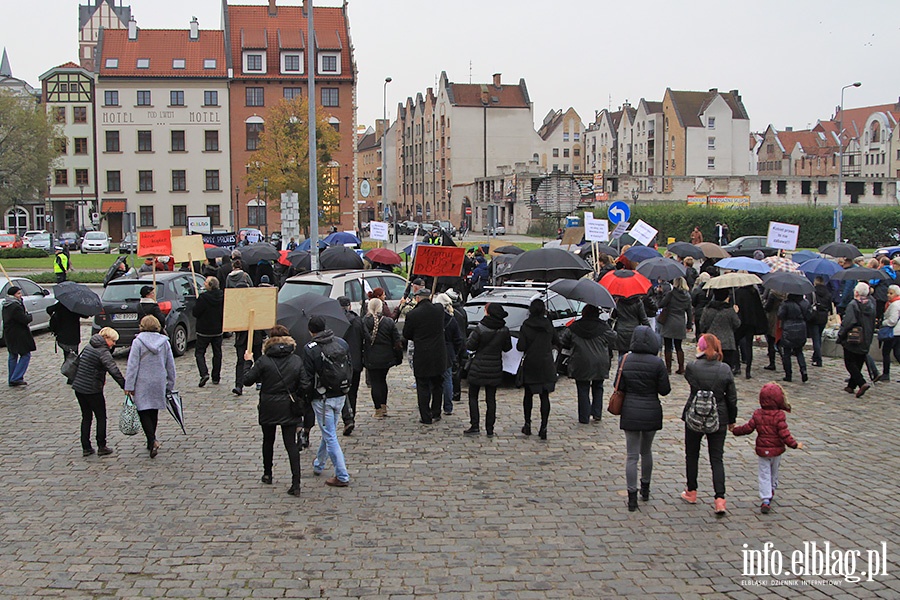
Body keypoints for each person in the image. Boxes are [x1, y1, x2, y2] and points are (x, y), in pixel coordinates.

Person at [242, 324, 304, 496]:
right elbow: (305, 384)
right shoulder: (296, 360)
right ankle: (296, 482)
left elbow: (246, 380)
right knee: (290, 444)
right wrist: (297, 397)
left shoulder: (264, 360)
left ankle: (267, 473)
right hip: (289, 404)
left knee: (268, 440)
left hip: (269, 404)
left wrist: (247, 362)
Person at [680, 334, 737, 516]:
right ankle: (720, 499)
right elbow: (732, 398)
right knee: (716, 458)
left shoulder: (692, 367)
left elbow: (692, 384)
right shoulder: (725, 369)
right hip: (719, 415)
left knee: (692, 454)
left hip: (695, 413)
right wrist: (732, 419)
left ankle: (692, 491)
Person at [616, 326, 671, 511]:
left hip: (630, 410)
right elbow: (665, 390)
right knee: (646, 451)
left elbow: (620, 386)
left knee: (632, 455)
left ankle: (632, 497)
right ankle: (645, 488)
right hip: (651, 410)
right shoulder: (657, 363)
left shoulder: (625, 360)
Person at [732, 382, 803, 514]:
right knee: (773, 471)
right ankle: (771, 489)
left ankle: (765, 497)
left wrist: (735, 430)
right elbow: (784, 434)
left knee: (764, 474)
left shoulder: (758, 414)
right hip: (776, 450)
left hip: (762, 449)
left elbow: (748, 428)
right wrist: (794, 444)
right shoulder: (779, 415)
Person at [299, 315, 351, 488]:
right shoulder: (341, 343)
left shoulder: (310, 348)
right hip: (340, 394)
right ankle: (319, 464)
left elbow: (307, 376)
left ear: (310, 330)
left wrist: (304, 396)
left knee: (330, 436)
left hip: (322, 398)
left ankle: (342, 474)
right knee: (328, 431)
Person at [124, 315, 177, 458]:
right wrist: (170, 383)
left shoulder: (138, 342)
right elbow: (170, 365)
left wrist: (128, 385)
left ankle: (152, 440)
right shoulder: (164, 342)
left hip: (142, 381)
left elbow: (132, 366)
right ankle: (151, 440)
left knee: (143, 411)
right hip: (158, 380)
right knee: (154, 411)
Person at [71, 327, 126, 457]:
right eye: (113, 341)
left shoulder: (89, 346)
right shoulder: (103, 352)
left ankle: (86, 447)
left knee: (86, 417)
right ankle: (102, 446)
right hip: (92, 389)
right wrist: (125, 386)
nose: (114, 344)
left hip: (79, 387)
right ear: (106, 338)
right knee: (101, 417)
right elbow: (113, 370)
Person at [559, 304, 616, 424]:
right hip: (600, 362)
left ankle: (584, 416)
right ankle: (596, 413)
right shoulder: (603, 327)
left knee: (583, 389)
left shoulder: (575, 327)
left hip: (581, 361)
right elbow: (613, 338)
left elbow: (564, 340)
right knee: (598, 387)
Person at [463, 303, 512, 436]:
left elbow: (470, 346)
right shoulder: (504, 330)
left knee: (473, 396)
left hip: (478, 366)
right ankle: (490, 428)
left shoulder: (480, 328)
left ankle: (475, 425)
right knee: (491, 399)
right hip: (495, 366)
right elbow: (507, 348)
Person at [402, 288, 447, 424]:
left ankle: (426, 416)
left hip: (422, 354)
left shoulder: (413, 315)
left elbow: (407, 334)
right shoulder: (438, 310)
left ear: (417, 298)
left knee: (422, 386)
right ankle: (436, 412)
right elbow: (439, 305)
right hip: (438, 353)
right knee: (437, 384)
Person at [517, 298, 559, 440]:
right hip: (546, 363)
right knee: (544, 396)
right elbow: (557, 341)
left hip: (531, 363)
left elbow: (521, 346)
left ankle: (527, 424)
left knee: (528, 394)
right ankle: (544, 427)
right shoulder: (548, 325)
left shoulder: (526, 325)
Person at [362, 297, 402, 418]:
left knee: (375, 383)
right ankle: (383, 406)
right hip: (386, 356)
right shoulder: (388, 322)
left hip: (371, 357)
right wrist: (398, 357)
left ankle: (378, 409)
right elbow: (397, 341)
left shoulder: (364, 321)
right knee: (382, 381)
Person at [838, 282, 876, 397]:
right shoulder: (871, 304)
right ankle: (851, 386)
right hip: (866, 337)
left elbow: (849, 321)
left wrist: (841, 334)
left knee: (849, 362)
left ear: (857, 292)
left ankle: (861, 383)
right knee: (858, 361)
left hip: (853, 337)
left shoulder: (854, 304)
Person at [337, 296, 365, 436]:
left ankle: (345, 418)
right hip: (355, 361)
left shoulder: (334, 322)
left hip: (339, 363)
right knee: (353, 391)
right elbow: (365, 338)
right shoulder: (357, 321)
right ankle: (351, 416)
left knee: (341, 392)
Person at [435, 293, 464, 417]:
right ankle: (448, 406)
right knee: (447, 379)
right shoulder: (452, 319)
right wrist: (455, 352)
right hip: (449, 351)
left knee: (435, 380)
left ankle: (435, 405)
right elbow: (458, 339)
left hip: (437, 350)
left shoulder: (434, 319)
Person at [192, 276, 224, 387]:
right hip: (217, 329)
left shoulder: (203, 298)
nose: (204, 283)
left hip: (204, 330)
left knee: (199, 353)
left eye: (206, 282)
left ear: (210, 285)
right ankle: (216, 376)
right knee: (217, 353)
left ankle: (204, 373)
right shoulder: (222, 296)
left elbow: (196, 313)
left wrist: (197, 303)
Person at [700, 288, 741, 373]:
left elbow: (702, 324)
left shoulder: (708, 309)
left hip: (711, 341)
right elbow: (737, 324)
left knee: (711, 368)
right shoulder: (729, 311)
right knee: (726, 368)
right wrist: (736, 313)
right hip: (727, 342)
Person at [658, 277, 693, 375]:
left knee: (668, 346)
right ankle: (681, 367)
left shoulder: (671, 294)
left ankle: (668, 369)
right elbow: (689, 312)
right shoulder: (687, 296)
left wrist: (660, 294)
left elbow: (661, 304)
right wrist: (689, 324)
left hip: (669, 321)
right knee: (679, 346)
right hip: (680, 321)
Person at [3, 287, 35, 387]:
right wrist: (29, 316)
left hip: (9, 333)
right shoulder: (15, 306)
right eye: (18, 294)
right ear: (13, 295)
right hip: (18, 334)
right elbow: (24, 319)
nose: (20, 295)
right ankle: (16, 377)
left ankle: (12, 378)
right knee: (25, 355)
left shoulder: (6, 305)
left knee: (13, 355)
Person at [733, 284, 767, 379]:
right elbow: (758, 308)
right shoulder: (754, 292)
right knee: (749, 346)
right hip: (751, 322)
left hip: (741, 321)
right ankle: (748, 370)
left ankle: (737, 366)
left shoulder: (738, 292)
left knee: (735, 342)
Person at [777, 294, 811, 383]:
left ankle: (788, 374)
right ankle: (803, 370)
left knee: (787, 353)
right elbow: (809, 316)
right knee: (799, 351)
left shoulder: (786, 303)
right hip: (801, 328)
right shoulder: (805, 303)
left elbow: (780, 315)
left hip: (788, 328)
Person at [613, 294, 650, 358]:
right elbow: (644, 319)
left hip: (621, 330)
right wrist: (649, 331)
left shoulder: (619, 302)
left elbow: (613, 316)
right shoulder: (638, 302)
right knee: (634, 354)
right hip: (634, 330)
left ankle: (621, 367)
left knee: (621, 353)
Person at [809, 276, 833, 367]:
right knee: (819, 336)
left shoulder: (813, 291)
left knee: (815, 339)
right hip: (823, 317)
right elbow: (830, 307)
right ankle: (815, 356)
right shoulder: (828, 293)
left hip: (815, 316)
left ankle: (818, 359)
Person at [878, 285, 900, 381]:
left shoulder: (895, 304)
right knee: (897, 353)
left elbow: (892, 320)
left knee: (886, 352)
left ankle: (886, 373)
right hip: (897, 332)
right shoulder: (893, 303)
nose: (888, 295)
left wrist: (883, 323)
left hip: (893, 332)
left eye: (891, 293)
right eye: (888, 293)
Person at [762, 289, 785, 372]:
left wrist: (764, 305)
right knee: (779, 341)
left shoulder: (773, 294)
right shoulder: (785, 295)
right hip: (781, 319)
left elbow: (768, 307)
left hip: (772, 318)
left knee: (771, 341)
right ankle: (785, 362)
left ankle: (772, 363)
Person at [691, 272, 711, 339]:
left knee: (699, 331)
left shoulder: (697, 290)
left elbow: (693, 301)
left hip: (699, 312)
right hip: (709, 312)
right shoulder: (712, 289)